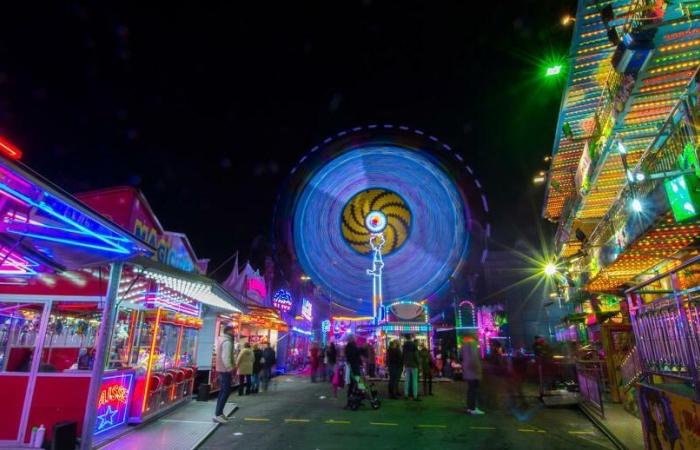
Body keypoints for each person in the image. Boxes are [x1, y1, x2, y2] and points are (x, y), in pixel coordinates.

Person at [213, 323, 235, 424]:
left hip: (221, 369)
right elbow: (225, 357)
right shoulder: (227, 342)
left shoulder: (221, 339)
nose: (234, 332)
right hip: (225, 370)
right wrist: (230, 368)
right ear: (228, 331)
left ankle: (219, 413)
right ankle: (218, 414)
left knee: (223, 391)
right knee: (225, 391)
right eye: (232, 330)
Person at [462, 336, 484, 415]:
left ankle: (470, 407)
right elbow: (475, 360)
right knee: (473, 391)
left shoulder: (464, 346)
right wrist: (478, 370)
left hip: (468, 372)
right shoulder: (473, 345)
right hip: (473, 372)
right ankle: (473, 408)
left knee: (470, 390)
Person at [344, 335, 361, 409]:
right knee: (357, 384)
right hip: (354, 368)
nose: (356, 339)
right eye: (354, 338)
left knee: (355, 384)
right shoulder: (351, 347)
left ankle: (353, 401)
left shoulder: (349, 347)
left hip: (353, 367)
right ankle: (353, 401)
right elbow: (354, 356)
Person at [402, 335, 420, 401]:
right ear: (411, 338)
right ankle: (415, 396)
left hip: (407, 365)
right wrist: (418, 363)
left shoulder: (404, 345)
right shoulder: (413, 345)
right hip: (414, 365)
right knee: (414, 381)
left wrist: (404, 363)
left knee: (407, 380)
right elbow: (416, 355)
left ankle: (406, 395)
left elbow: (403, 355)